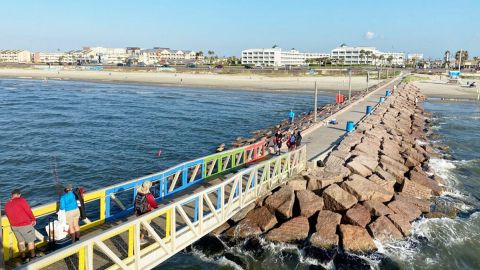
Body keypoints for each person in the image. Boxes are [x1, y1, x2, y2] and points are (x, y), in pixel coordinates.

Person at [4, 189, 37, 262]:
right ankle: (33, 257)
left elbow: (7, 214)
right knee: (30, 241)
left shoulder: (7, 204)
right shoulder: (21, 200)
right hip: (24, 225)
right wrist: (33, 219)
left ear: (12, 195)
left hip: (14, 226)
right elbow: (28, 210)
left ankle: (23, 257)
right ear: (19, 194)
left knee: (21, 242)